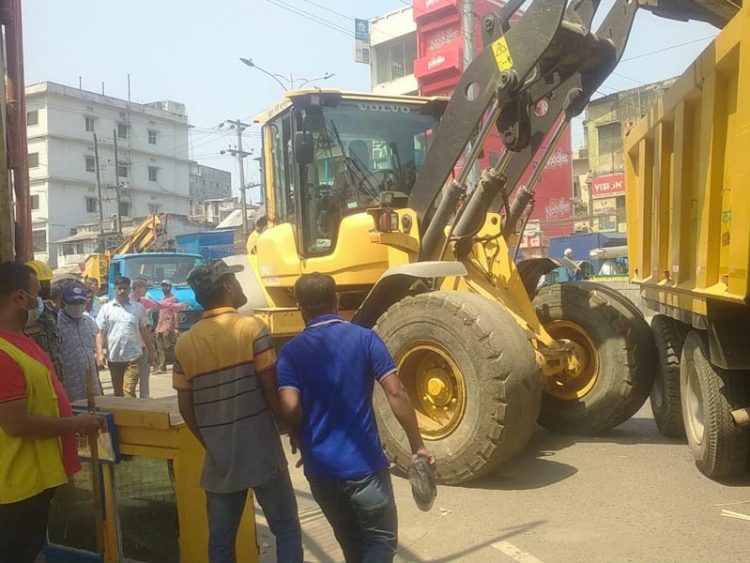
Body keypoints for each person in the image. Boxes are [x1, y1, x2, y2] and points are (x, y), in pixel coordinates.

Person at [277, 273, 435, 563]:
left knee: (352, 545)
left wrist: (298, 431)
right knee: (380, 543)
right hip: (365, 469)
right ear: (336, 300)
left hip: (321, 472)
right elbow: (396, 392)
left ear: (300, 307)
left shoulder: (290, 353)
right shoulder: (365, 338)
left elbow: (289, 408)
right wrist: (417, 445)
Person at [173, 259, 302, 563]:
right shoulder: (251, 328)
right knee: (286, 528)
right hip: (262, 451)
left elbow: (185, 406)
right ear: (228, 286)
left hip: (220, 458)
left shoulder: (185, 343)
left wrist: (210, 439)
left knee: (221, 541)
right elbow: (270, 389)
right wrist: (291, 427)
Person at [0, 261, 104, 563]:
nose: (43, 302)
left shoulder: (21, 341)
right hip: (15, 486)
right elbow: (16, 424)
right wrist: (75, 423)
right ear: (20, 298)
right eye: (37, 293)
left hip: (34, 480)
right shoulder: (3, 353)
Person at [96, 277, 155, 398]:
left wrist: (151, 350)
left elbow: (144, 330)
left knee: (128, 392)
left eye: (125, 288)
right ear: (115, 289)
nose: (122, 291)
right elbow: (100, 333)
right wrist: (100, 353)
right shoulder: (106, 309)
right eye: (119, 288)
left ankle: (132, 416)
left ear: (129, 289)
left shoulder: (138, 308)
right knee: (118, 394)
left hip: (133, 356)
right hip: (114, 357)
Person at [131, 279, 183, 397]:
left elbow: (160, 306)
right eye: (144, 288)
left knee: (144, 375)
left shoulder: (143, 301)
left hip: (145, 341)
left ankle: (145, 399)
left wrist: (178, 306)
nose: (146, 290)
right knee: (131, 379)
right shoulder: (130, 303)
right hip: (132, 344)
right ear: (138, 288)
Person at [58, 283, 101, 402]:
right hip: (69, 387)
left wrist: (99, 353)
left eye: (80, 303)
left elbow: (97, 335)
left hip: (91, 384)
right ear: (63, 302)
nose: (77, 307)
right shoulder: (55, 324)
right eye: (73, 303)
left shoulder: (89, 321)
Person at [23, 260, 65, 382]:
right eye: (42, 283)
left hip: (56, 374)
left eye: (47, 283)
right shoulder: (24, 316)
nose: (45, 287)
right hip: (37, 376)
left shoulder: (50, 311)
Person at [154, 279, 179, 374]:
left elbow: (176, 313)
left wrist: (176, 327)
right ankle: (162, 367)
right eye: (163, 286)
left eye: (166, 286)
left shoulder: (173, 299)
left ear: (170, 287)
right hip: (160, 325)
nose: (164, 288)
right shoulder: (162, 299)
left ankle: (179, 360)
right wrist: (157, 327)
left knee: (168, 344)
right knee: (160, 346)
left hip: (169, 324)